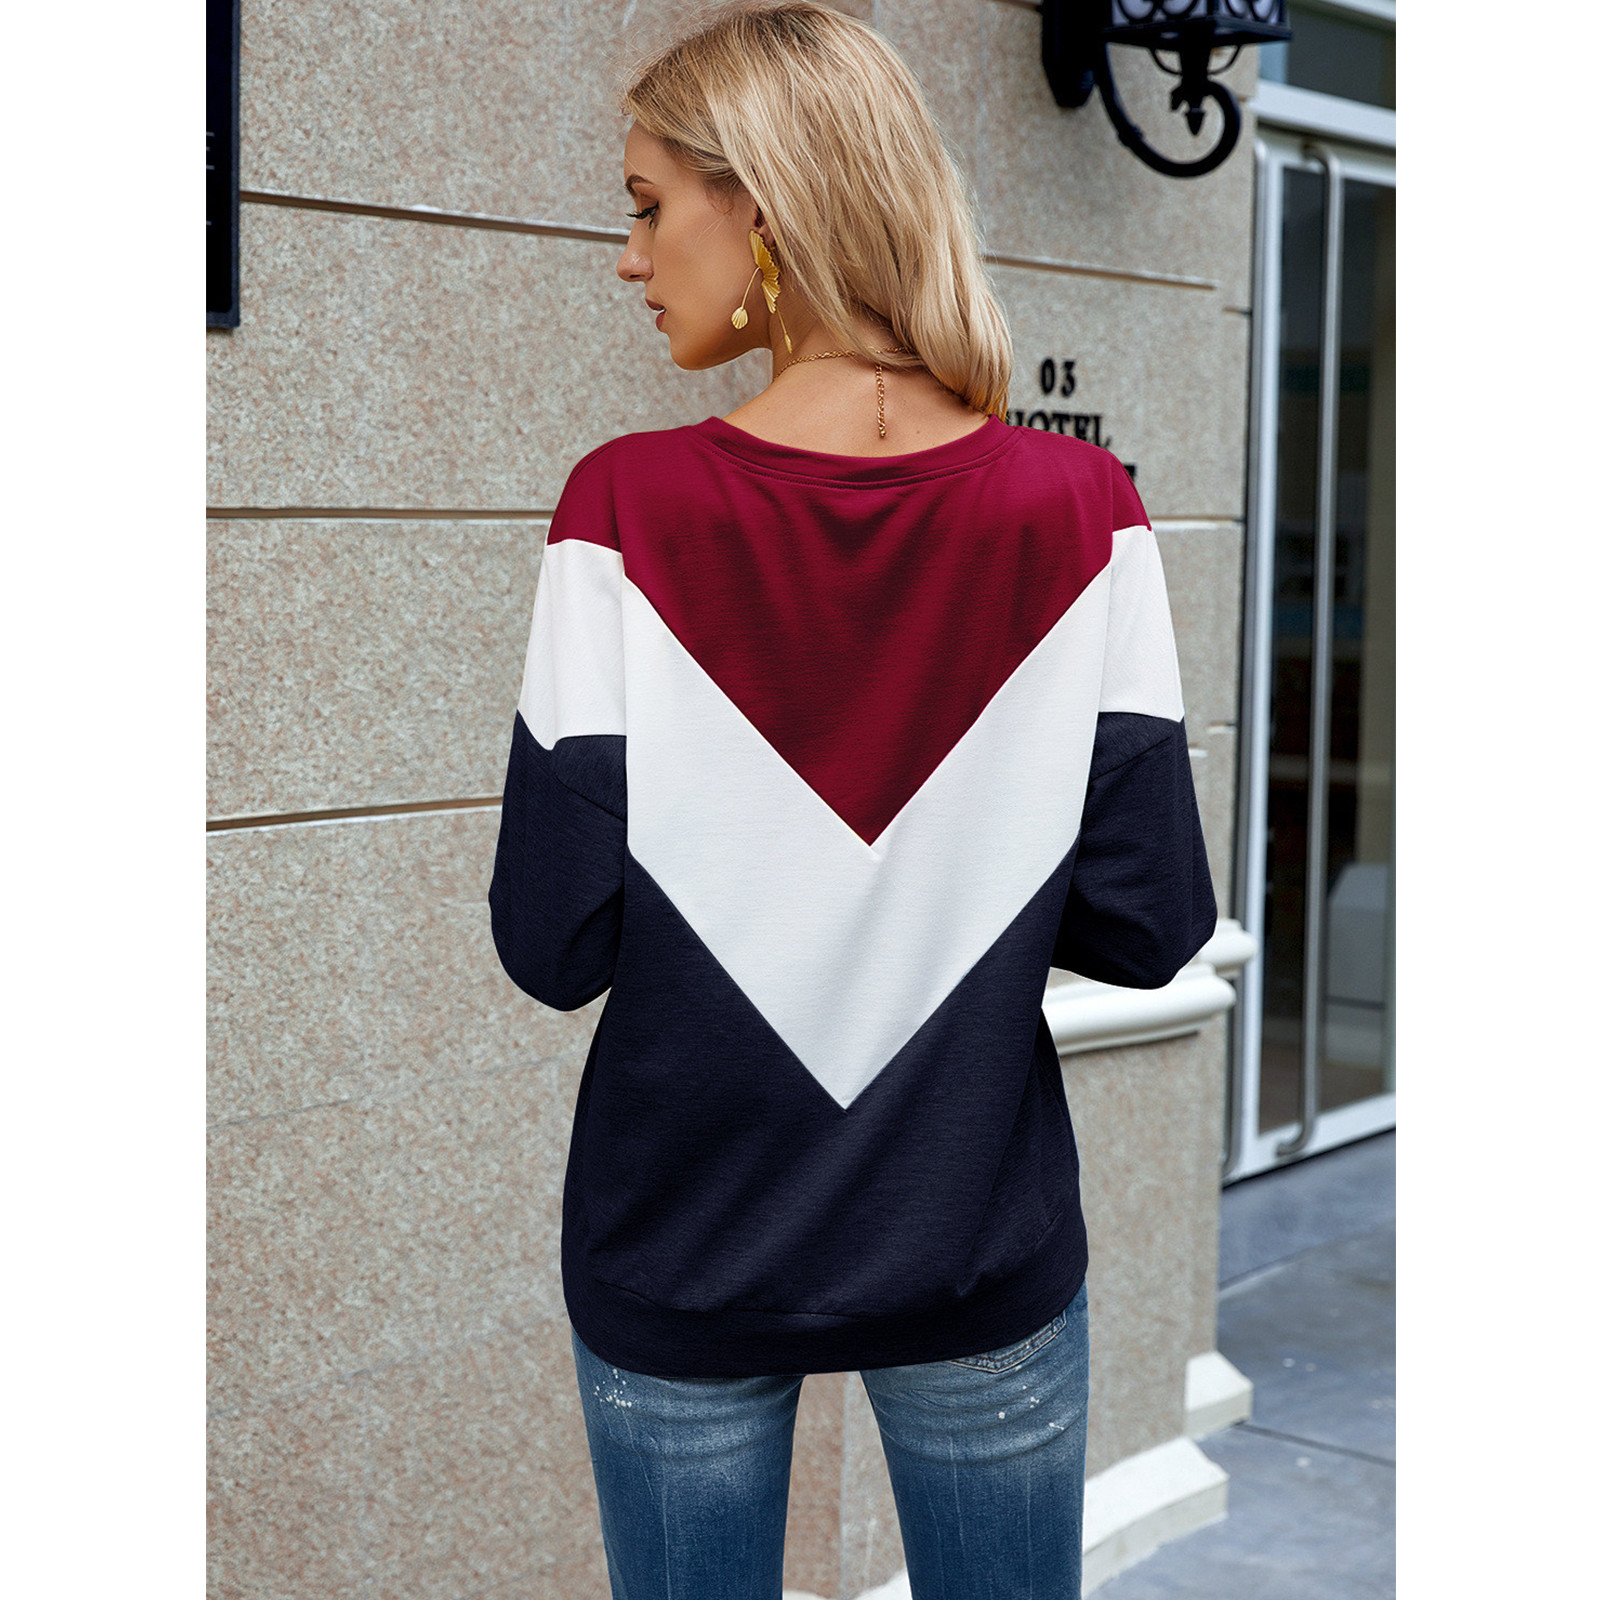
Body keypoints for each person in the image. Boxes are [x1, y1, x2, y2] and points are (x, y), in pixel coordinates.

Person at [487, 4, 1217, 1595]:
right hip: (979, 1238)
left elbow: (553, 941)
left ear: (758, 203)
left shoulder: (622, 514)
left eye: (646, 206)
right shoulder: (1087, 515)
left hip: (680, 1246)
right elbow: (1152, 924)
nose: (630, 257)